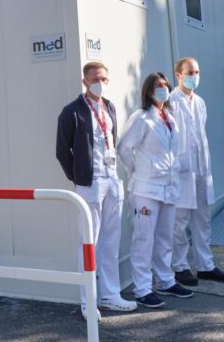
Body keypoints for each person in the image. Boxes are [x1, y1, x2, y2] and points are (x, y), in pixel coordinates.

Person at [56, 62, 137, 320]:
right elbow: (62, 151)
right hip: (90, 182)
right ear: (85, 82)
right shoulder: (72, 111)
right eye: (95, 79)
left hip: (113, 178)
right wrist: (79, 177)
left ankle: (110, 295)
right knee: (89, 242)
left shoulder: (109, 106)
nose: (99, 82)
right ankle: (87, 301)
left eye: (103, 78)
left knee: (111, 241)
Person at [118, 71, 193, 309]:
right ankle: (142, 289)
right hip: (146, 189)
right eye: (158, 86)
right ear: (149, 91)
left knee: (164, 237)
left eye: (165, 85)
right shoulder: (141, 117)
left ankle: (166, 281)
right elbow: (124, 148)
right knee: (144, 239)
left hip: (168, 187)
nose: (163, 89)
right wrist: (139, 170)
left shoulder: (169, 116)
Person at [169, 57, 224, 287]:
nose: (194, 76)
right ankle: (180, 267)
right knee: (179, 221)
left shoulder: (200, 102)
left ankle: (205, 266)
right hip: (181, 171)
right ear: (178, 75)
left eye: (197, 72)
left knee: (203, 219)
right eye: (189, 72)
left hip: (201, 169)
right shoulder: (170, 102)